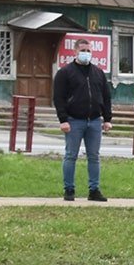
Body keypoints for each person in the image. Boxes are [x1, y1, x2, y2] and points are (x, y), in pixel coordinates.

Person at [54, 44, 113, 202]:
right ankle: (69, 189)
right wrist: (63, 119)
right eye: (82, 50)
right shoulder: (65, 73)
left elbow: (106, 97)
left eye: (88, 51)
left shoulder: (98, 73)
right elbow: (58, 98)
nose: (86, 53)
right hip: (74, 121)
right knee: (70, 155)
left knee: (94, 156)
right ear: (75, 52)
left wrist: (107, 119)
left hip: (94, 121)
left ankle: (94, 190)